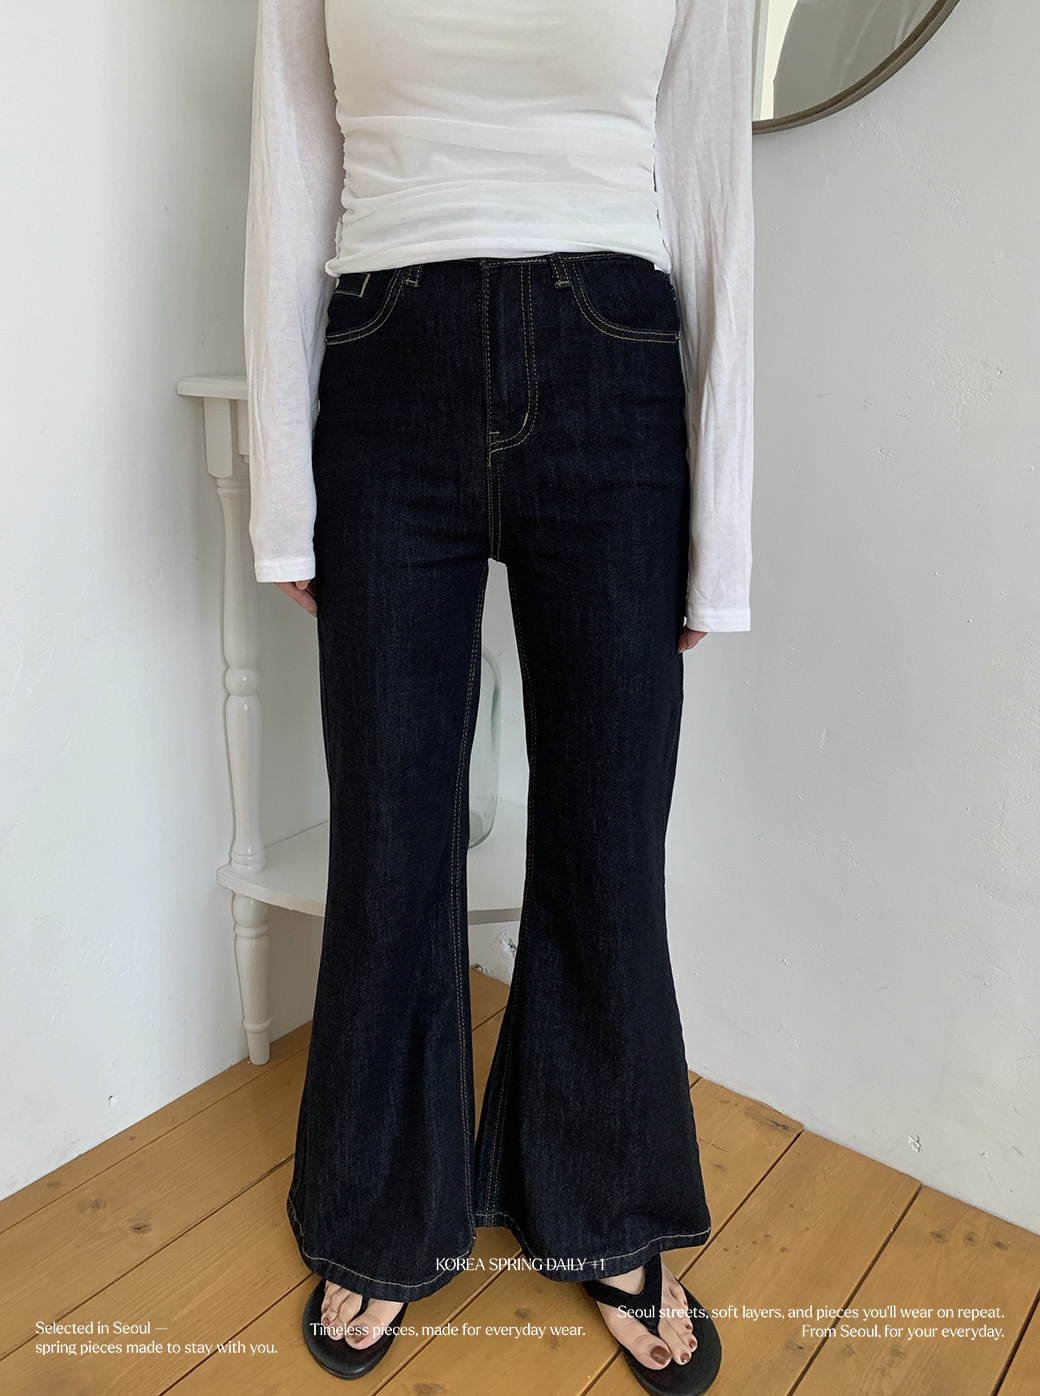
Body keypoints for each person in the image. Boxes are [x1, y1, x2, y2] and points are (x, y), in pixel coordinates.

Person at [243, 1, 754, 1390]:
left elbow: (711, 193)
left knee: (608, 834)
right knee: (390, 829)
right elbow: (294, 167)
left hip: (614, 363)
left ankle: (603, 1200)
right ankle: (379, 1209)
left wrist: (722, 540)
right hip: (385, 361)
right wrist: (286, 495)